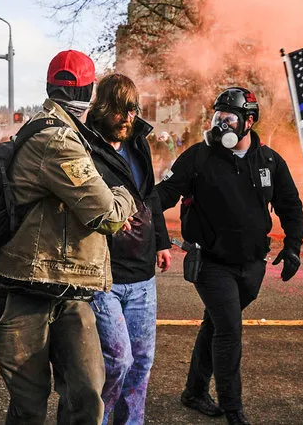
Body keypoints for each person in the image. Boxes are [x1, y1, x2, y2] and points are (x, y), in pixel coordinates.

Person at [0, 50, 137, 425]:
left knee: (86, 395)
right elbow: (106, 213)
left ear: (50, 85)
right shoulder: (58, 139)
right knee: (31, 410)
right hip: (27, 290)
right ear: (89, 92)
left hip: (66, 291)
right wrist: (126, 193)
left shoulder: (60, 130)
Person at [155, 87, 303, 425]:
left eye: (229, 118)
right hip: (210, 262)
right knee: (228, 330)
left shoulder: (268, 160)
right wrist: (152, 228)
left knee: (215, 325)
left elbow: (291, 206)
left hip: (252, 265)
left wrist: (293, 245)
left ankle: (194, 391)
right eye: (217, 118)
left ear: (248, 122)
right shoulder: (198, 157)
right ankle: (233, 409)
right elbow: (161, 196)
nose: (220, 125)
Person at [84, 73, 172, 425]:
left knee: (141, 362)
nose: (127, 118)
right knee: (116, 361)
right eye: (120, 110)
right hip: (102, 271)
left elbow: (149, 195)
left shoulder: (138, 142)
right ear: (103, 108)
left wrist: (162, 242)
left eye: (132, 109)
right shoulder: (85, 146)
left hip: (142, 273)